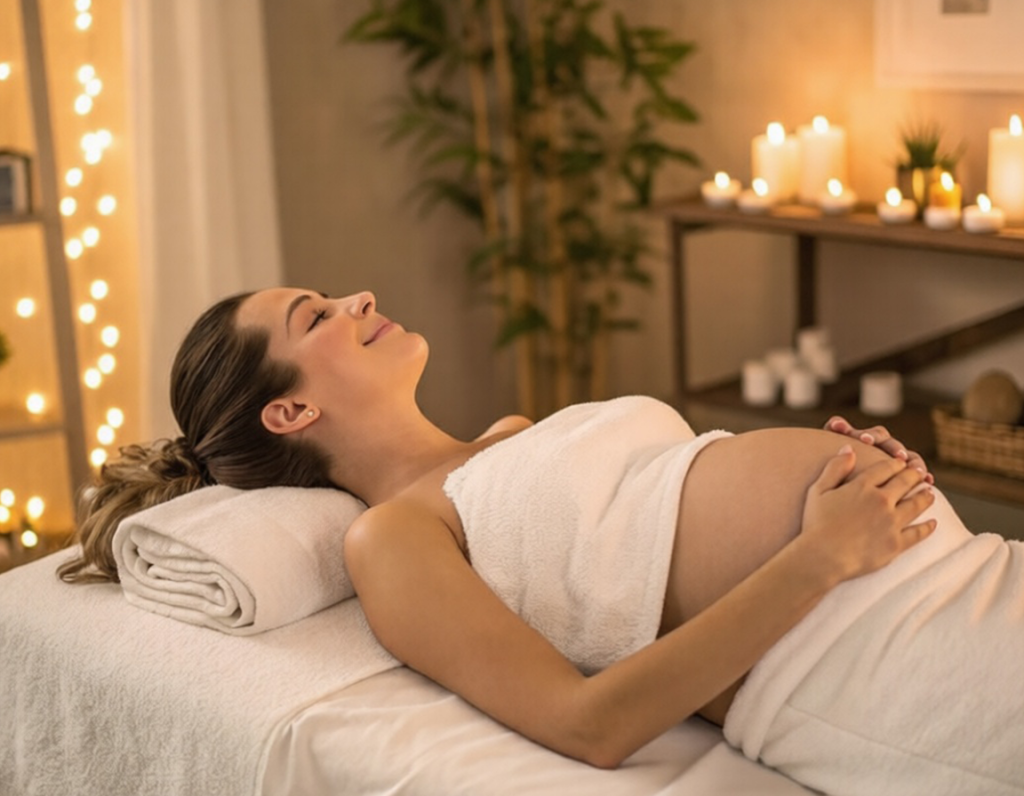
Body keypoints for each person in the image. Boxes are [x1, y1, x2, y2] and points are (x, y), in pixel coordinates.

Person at [59, 288, 1021, 794]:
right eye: (315, 316)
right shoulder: (394, 537)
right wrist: (818, 553)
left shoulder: (512, 437)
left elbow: (674, 499)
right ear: (292, 408)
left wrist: (860, 475)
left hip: (955, 572)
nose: (357, 297)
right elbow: (586, 725)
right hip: (869, 660)